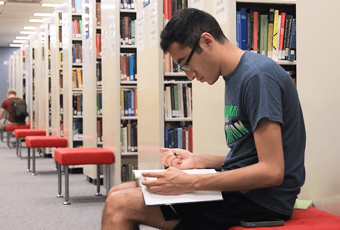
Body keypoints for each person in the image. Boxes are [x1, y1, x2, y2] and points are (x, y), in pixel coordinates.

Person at [101, 8, 305, 230]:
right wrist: (200, 161)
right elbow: (251, 156)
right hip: (245, 193)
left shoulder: (257, 77)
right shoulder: (237, 75)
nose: (189, 75)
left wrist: (191, 182)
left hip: (261, 200)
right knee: (116, 191)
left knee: (119, 204)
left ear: (207, 41)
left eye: (186, 64)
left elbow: (272, 171)